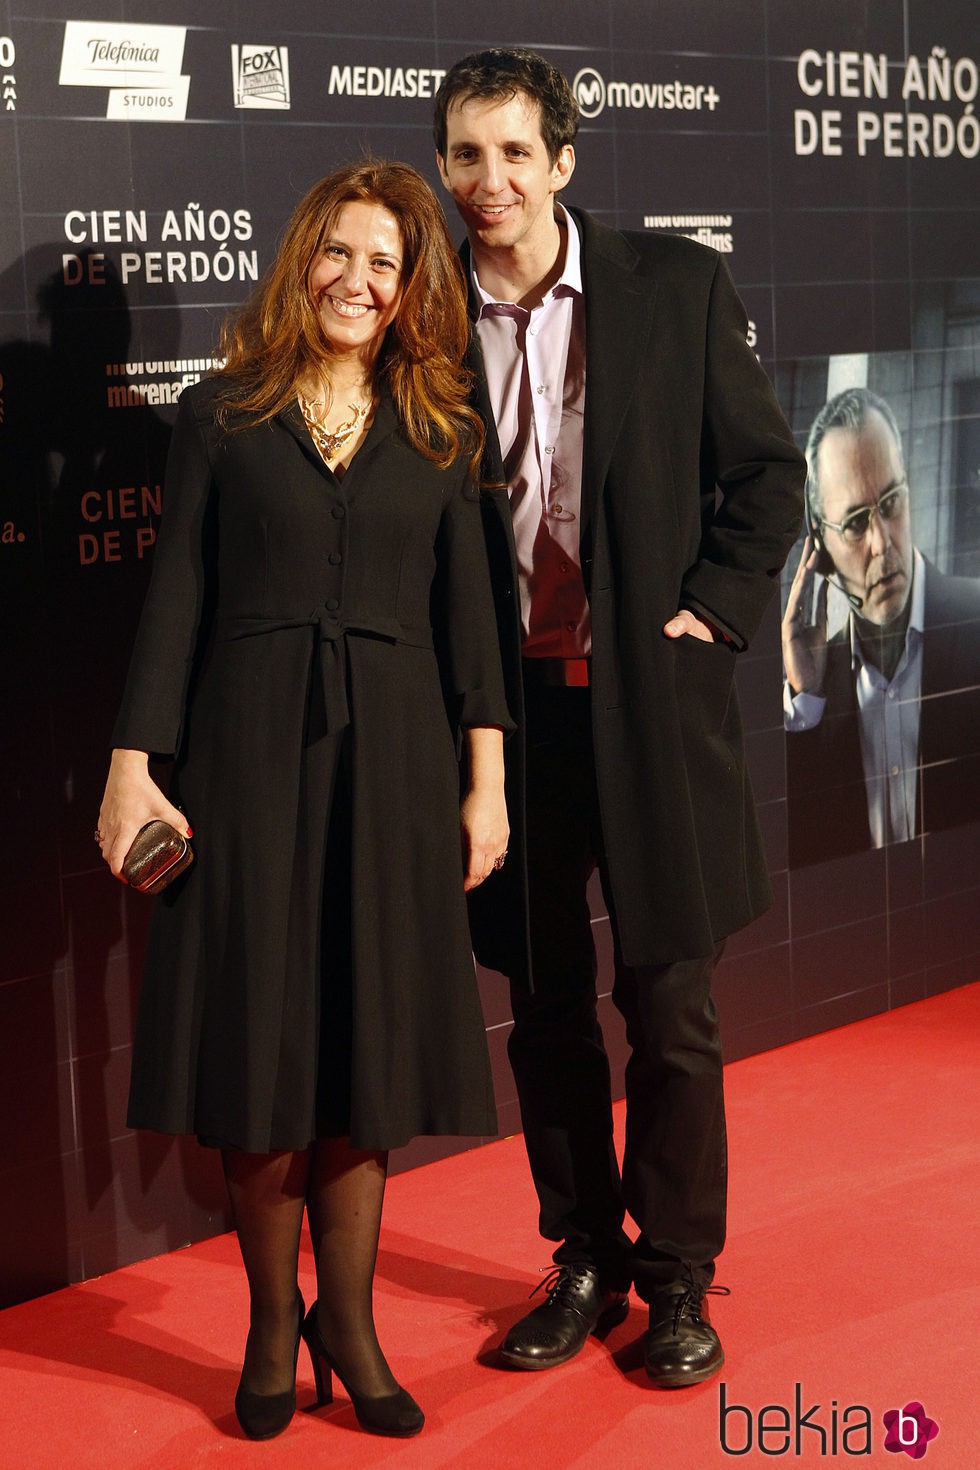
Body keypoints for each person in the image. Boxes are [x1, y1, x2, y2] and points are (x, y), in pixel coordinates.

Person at [96, 160, 511, 1441]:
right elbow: (175, 599)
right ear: (300, 264)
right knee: (263, 1040)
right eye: (338, 253)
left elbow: (471, 628)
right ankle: (274, 1321)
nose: (357, 279)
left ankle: (353, 1321)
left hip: (392, 763)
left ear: (406, 286)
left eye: (384, 261)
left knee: (364, 1040)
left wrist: (484, 781)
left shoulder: (441, 422)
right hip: (245, 753)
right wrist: (132, 762)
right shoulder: (222, 413)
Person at [432, 49, 806, 1386]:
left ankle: (679, 1276)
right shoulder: (424, 313)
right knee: (541, 1005)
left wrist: (708, 616)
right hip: (504, 724)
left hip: (650, 708)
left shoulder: (672, 287)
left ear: (566, 161)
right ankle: (583, 1253)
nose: (491, 183)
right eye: (467, 156)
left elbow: (767, 474)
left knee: (674, 1008)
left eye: (516, 154)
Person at [782, 385, 980, 867]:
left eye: (891, 502)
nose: (881, 542)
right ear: (819, 548)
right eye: (854, 523)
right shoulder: (811, 695)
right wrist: (805, 700)